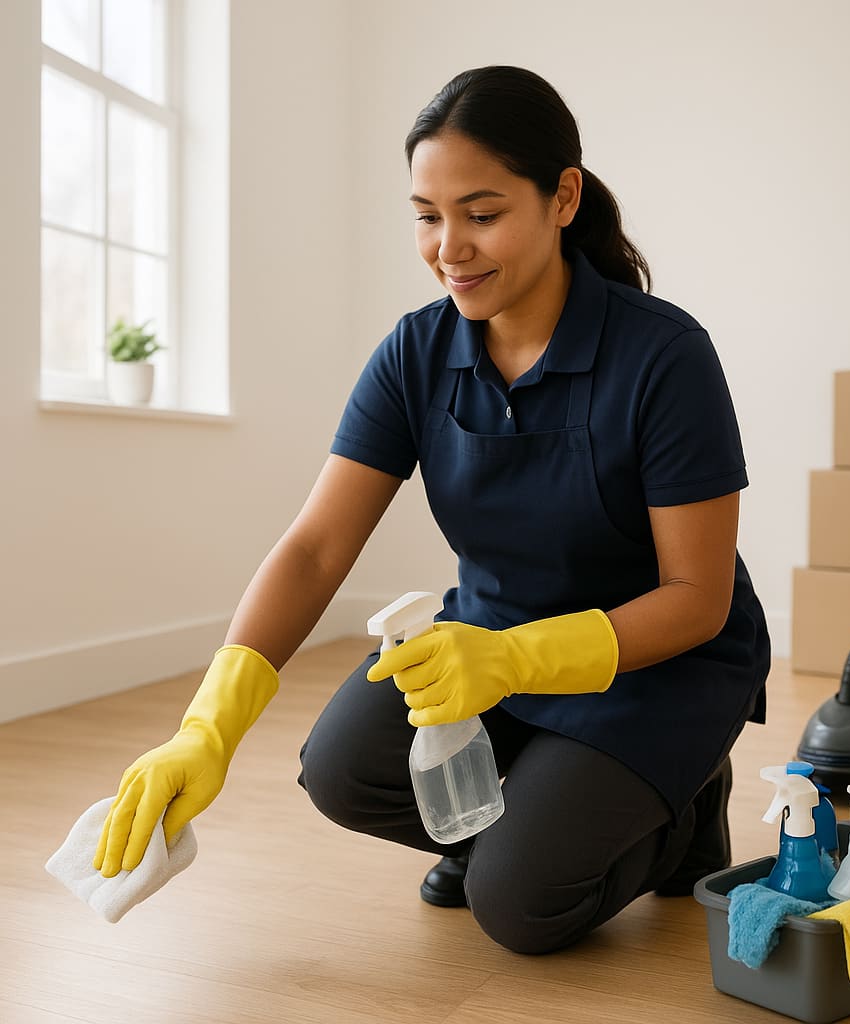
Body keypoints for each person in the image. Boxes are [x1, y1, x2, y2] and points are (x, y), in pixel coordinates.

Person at [94, 65, 770, 955]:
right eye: (426, 214)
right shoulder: (416, 352)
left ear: (562, 197)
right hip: (478, 647)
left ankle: (681, 817)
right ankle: (531, 817)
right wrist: (204, 728)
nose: (449, 245)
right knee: (338, 771)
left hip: (654, 666)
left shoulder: (664, 356)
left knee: (519, 906)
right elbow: (315, 550)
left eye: (481, 214)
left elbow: (696, 596)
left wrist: (518, 657)